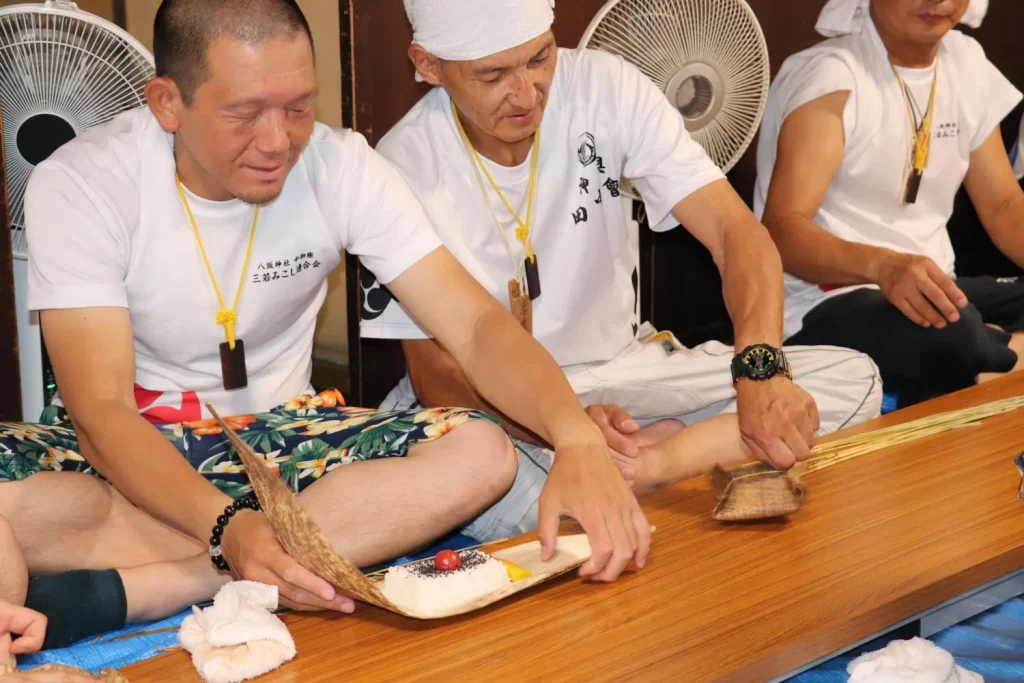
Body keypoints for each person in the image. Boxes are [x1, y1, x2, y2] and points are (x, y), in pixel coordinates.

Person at [0, 0, 654, 652]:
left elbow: (477, 325)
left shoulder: (340, 166)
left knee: (483, 451)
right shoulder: (84, 183)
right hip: (133, 456)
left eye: (298, 107)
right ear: (167, 103)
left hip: (291, 444)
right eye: (245, 113)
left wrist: (576, 437)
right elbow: (101, 413)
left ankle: (161, 583)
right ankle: (252, 555)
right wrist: (229, 524)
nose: (278, 140)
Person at [359, 0, 883, 534]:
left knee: (853, 378)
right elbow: (437, 377)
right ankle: (650, 463)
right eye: (492, 75)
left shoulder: (607, 89)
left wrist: (760, 368)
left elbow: (736, 232)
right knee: (520, 496)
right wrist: (567, 435)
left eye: (540, 58)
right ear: (428, 65)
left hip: (625, 374)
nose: (525, 93)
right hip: (499, 413)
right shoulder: (401, 167)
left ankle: (654, 465)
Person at [755, 0, 1024, 408]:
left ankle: (989, 357)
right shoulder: (832, 75)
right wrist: (883, 267)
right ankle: (992, 355)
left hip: (935, 290)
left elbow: (1005, 206)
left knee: (956, 327)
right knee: (952, 336)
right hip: (827, 301)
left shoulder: (966, 64)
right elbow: (781, 232)